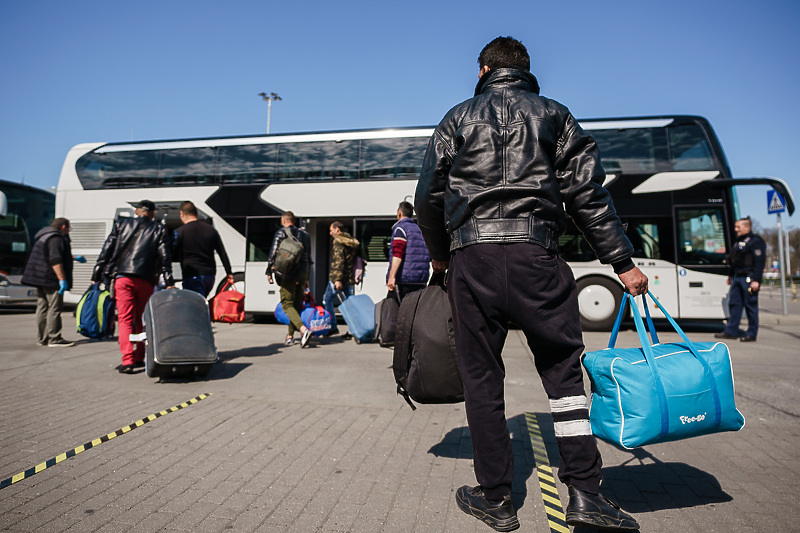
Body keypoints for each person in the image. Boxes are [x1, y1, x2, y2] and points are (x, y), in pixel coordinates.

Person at [415, 36, 648, 532]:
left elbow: (428, 194)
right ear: (525, 70)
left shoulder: (457, 117)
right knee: (564, 376)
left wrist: (440, 256)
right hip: (537, 256)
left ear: (483, 70)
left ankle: (496, 498)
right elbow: (587, 194)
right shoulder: (555, 115)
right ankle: (585, 494)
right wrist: (621, 262)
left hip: (471, 259)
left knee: (481, 377)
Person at [91, 200, 174, 373]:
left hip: (123, 277)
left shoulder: (121, 224)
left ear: (137, 211)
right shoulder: (159, 229)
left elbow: (106, 249)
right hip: (145, 279)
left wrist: (97, 274)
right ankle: (140, 356)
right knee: (142, 318)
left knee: (125, 319)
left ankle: (127, 360)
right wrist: (169, 281)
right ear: (152, 213)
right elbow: (165, 257)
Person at [21, 218, 85, 347]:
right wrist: (62, 279)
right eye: (68, 228)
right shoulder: (56, 238)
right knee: (55, 308)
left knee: (42, 307)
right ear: (63, 227)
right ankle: (54, 338)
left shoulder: (44, 236)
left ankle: (43, 338)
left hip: (39, 277)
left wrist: (72, 258)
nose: (68, 231)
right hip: (50, 278)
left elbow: (50, 254)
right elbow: (55, 259)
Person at [715, 216, 766, 342]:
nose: (735, 229)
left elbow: (760, 262)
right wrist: (730, 275)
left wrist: (757, 280)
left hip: (749, 277)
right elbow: (735, 260)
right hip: (737, 277)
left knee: (751, 306)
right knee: (734, 304)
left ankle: (751, 333)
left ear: (747, 227)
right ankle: (731, 331)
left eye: (738, 227)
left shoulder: (755, 241)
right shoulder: (738, 241)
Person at [267, 211, 313, 347]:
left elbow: (273, 253)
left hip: (289, 273)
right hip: (303, 272)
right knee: (297, 304)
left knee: (287, 304)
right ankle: (290, 336)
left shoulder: (281, 233)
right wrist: (307, 277)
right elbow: (308, 257)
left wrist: (269, 270)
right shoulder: (305, 235)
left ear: (283, 220)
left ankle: (303, 330)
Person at [172, 201, 234, 297]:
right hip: (210, 276)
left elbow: (171, 252)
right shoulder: (211, 230)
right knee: (202, 299)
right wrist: (229, 272)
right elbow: (222, 252)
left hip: (192, 275)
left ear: (181, 214)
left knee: (194, 305)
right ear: (196, 213)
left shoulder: (180, 232)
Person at [386, 201, 431, 301]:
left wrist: (391, 276)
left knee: (396, 310)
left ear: (399, 213)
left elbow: (398, 253)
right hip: (420, 279)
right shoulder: (420, 230)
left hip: (404, 279)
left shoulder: (400, 229)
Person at [323, 221, 360, 336]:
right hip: (348, 278)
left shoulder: (338, 241)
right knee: (348, 304)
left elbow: (339, 262)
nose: (330, 233)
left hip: (338, 278)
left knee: (327, 299)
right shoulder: (350, 241)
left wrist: (337, 279)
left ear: (337, 230)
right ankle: (353, 329)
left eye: (331, 230)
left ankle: (333, 327)